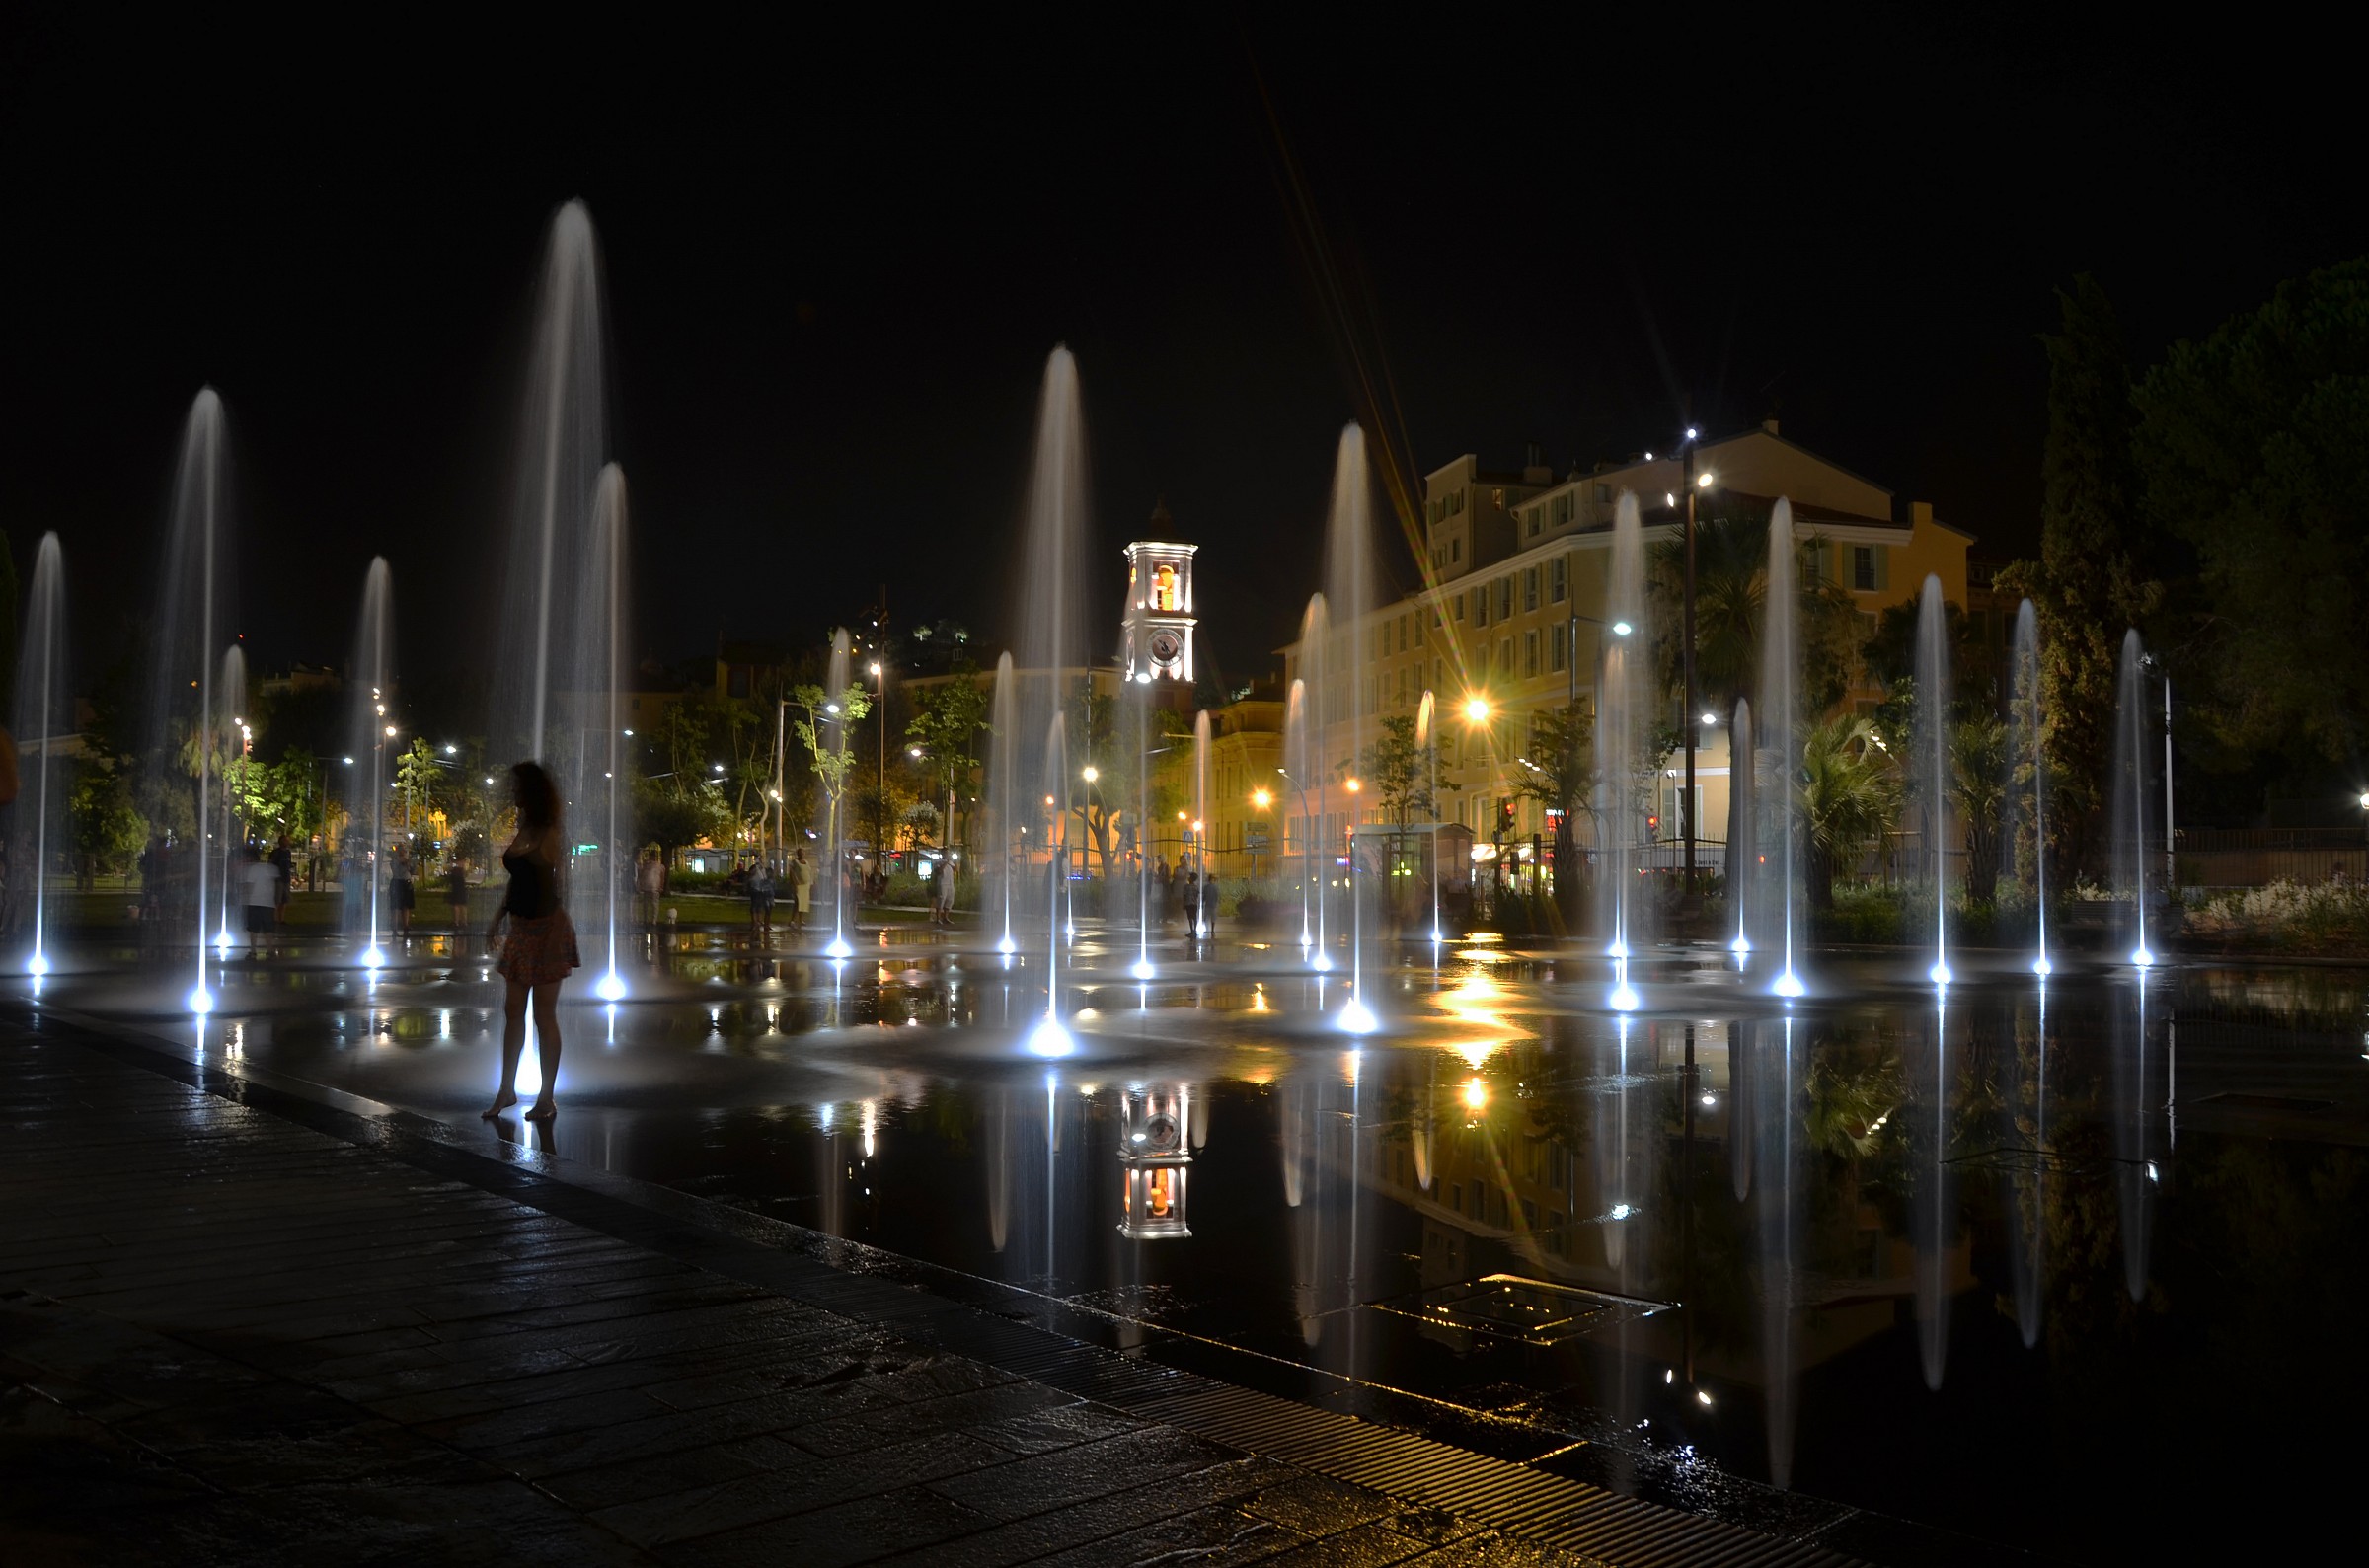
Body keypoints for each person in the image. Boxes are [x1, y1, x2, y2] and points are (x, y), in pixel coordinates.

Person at [483, 762, 576, 1121]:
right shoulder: (523, 827)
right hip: (521, 930)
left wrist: (554, 937)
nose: (512, 791)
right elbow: (517, 881)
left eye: (516, 786)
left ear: (531, 790)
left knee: (543, 1016)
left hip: (548, 929)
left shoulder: (550, 831)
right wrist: (497, 919)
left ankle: (546, 1097)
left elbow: (558, 887)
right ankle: (507, 1090)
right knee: (512, 1012)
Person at [240, 842, 278, 958]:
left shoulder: (252, 869)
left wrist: (244, 898)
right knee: (268, 928)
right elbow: (277, 884)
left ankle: (253, 951)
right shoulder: (272, 868)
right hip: (268, 903)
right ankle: (270, 951)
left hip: (254, 902)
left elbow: (249, 886)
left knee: (253, 928)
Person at [747, 856, 777, 945]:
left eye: (763, 860)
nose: (762, 861)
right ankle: (754, 923)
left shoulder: (764, 869)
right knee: (754, 906)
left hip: (761, 890)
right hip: (754, 889)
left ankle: (759, 922)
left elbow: (766, 878)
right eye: (760, 860)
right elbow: (750, 875)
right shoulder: (755, 868)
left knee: (759, 907)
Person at [390, 842, 417, 937]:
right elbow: (397, 870)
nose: (403, 852)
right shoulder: (394, 861)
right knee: (396, 907)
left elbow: (412, 870)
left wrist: (409, 864)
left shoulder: (407, 860)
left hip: (406, 883)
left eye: (404, 850)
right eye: (401, 850)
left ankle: (406, 925)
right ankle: (395, 927)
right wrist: (405, 863)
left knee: (406, 906)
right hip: (398, 883)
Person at [445, 857, 471, 950]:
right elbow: (465, 873)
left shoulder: (455, 867)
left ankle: (457, 922)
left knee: (457, 904)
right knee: (461, 904)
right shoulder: (462, 866)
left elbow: (450, 872)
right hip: (460, 885)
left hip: (456, 885)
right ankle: (463, 921)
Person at [636, 847, 665, 927]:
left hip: (652, 888)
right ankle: (651, 920)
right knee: (651, 905)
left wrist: (661, 886)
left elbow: (662, 877)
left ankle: (651, 920)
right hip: (651, 888)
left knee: (651, 905)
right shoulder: (656, 866)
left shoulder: (654, 866)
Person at [788, 846, 813, 934]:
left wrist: (811, 882)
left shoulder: (806, 862)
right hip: (799, 885)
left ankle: (800, 919)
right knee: (797, 902)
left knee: (803, 903)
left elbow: (809, 872)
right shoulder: (794, 862)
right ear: (798, 853)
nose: (802, 854)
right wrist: (794, 883)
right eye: (800, 852)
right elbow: (791, 872)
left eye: (803, 852)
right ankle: (792, 920)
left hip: (806, 886)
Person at [270, 831, 294, 917]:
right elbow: (272, 864)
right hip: (279, 878)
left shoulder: (288, 852)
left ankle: (282, 918)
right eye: (285, 840)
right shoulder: (276, 852)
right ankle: (275, 917)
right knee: (278, 899)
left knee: (285, 899)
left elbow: (288, 863)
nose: (287, 842)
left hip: (286, 878)